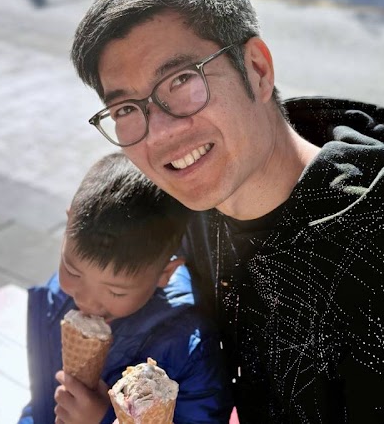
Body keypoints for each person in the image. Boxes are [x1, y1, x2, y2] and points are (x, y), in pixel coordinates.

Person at [70, 0, 384, 423]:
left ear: (257, 69)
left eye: (181, 80)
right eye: (125, 109)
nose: (159, 135)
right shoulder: (191, 205)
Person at [18, 152, 233, 424]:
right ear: (68, 224)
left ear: (165, 273)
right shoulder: (56, 299)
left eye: (116, 292)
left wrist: (106, 418)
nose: (87, 301)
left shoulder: (188, 347)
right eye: (72, 271)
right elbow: (41, 402)